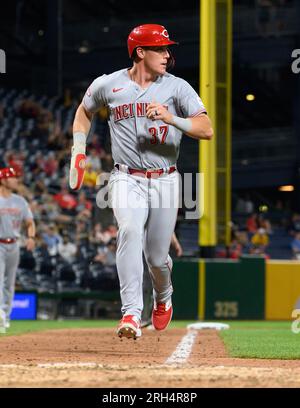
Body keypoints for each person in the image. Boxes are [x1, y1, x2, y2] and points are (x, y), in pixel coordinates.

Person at [69, 24, 213, 339]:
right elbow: (84, 111)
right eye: (160, 49)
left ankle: (163, 297)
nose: (167, 54)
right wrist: (78, 149)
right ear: (140, 52)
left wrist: (172, 118)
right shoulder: (109, 85)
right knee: (130, 230)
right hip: (124, 177)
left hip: (165, 180)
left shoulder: (177, 88)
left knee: (157, 258)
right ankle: (131, 313)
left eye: (166, 48)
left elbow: (206, 129)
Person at [0, 167, 36, 332]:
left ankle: (6, 317)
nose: (16, 180)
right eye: (13, 177)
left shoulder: (20, 201)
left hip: (13, 244)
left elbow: (30, 222)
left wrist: (31, 237)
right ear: (4, 180)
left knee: (10, 283)